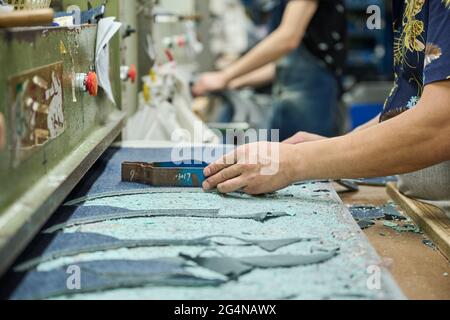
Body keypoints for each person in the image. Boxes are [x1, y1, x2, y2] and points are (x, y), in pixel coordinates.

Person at [201, 0, 450, 218]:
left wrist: (298, 162)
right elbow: (411, 103)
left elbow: (441, 124)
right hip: (425, 209)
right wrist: (339, 146)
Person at [192, 0, 347, 140]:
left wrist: (224, 76)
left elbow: (288, 38)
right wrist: (234, 82)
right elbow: (282, 66)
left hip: (314, 108)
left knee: (309, 168)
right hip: (291, 110)